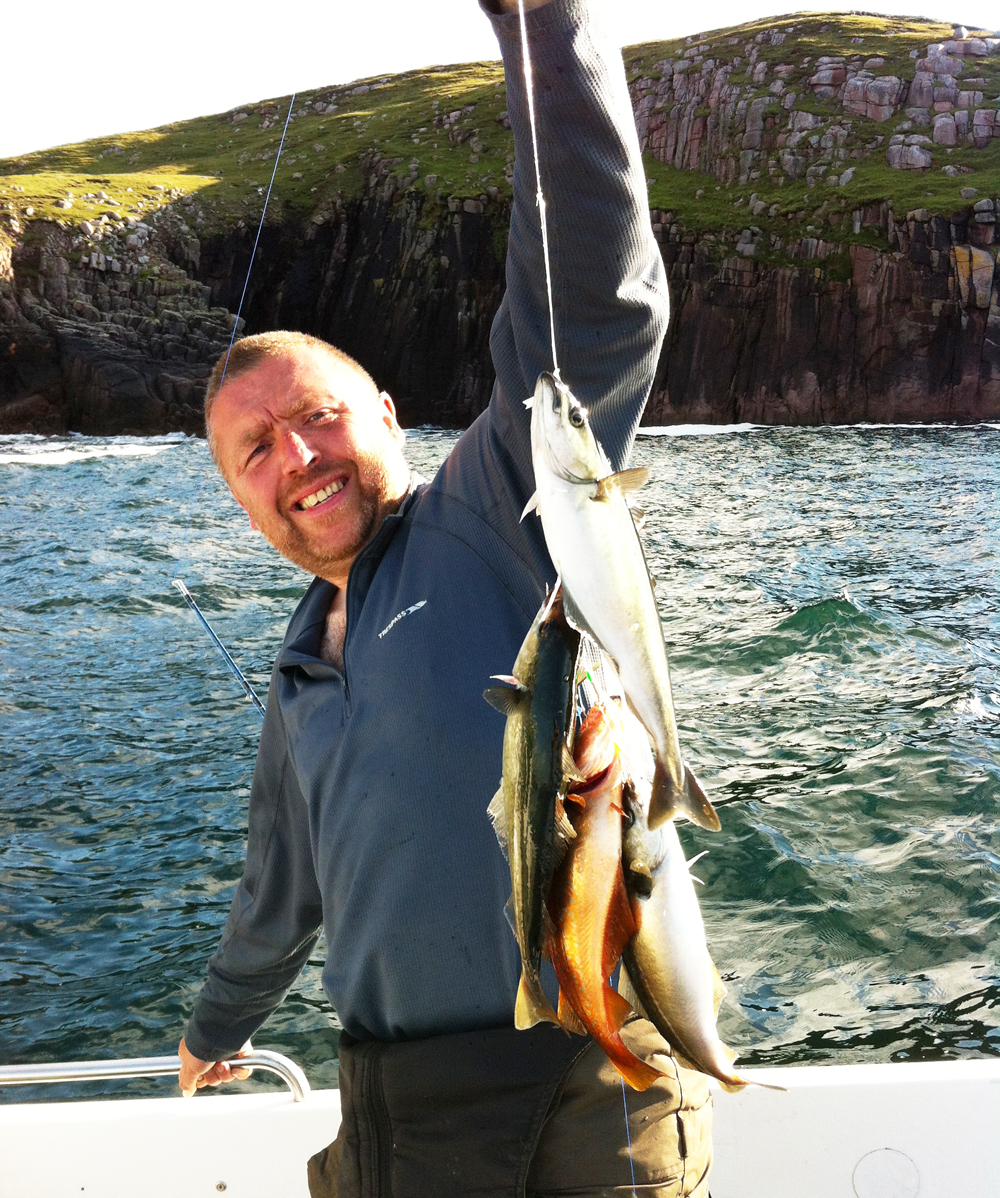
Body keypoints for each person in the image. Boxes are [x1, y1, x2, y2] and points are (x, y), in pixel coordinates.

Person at [177, 0, 713, 1194]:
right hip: (394, 1113)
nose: (296, 458)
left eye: (316, 415)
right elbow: (285, 878)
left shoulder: (490, 503)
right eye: (254, 450)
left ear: (384, 413)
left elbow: (597, 307)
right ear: (237, 497)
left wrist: (545, 21)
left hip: (588, 1075)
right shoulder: (297, 668)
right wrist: (220, 1023)